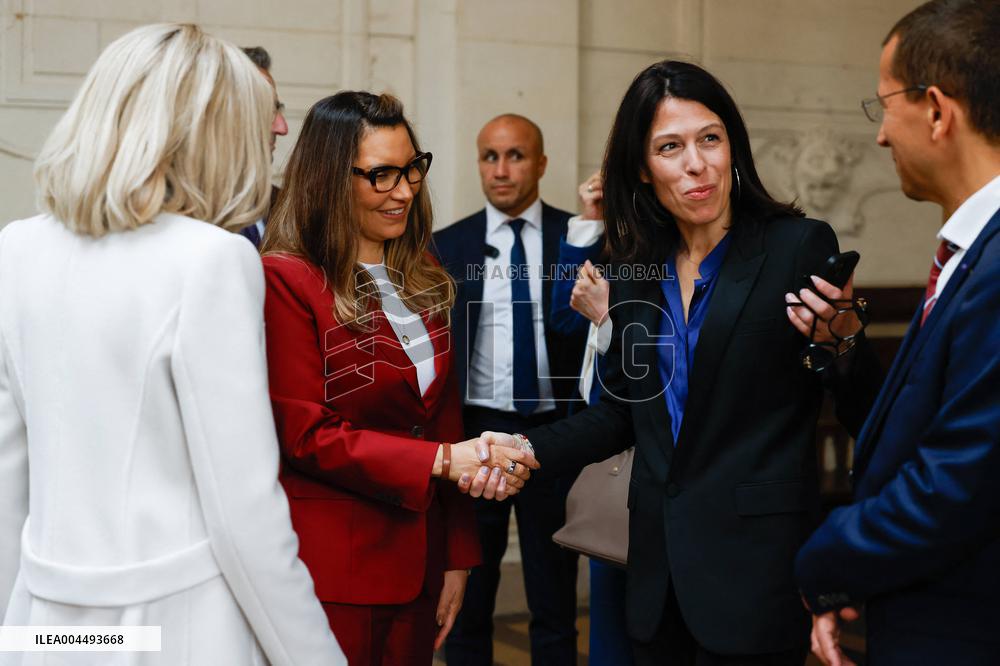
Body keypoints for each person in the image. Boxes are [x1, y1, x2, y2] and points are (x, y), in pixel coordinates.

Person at [476, 60, 884, 665]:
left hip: (756, 570)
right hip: (656, 575)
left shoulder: (795, 246)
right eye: (670, 147)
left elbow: (865, 411)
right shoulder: (637, 267)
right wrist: (525, 450)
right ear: (643, 168)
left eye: (710, 139)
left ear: (732, 145)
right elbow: (617, 413)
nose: (697, 164)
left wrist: (845, 337)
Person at [0, 23, 345, 665]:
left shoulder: (15, 249)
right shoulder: (210, 261)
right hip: (176, 627)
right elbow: (245, 512)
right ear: (213, 136)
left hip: (48, 622)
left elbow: (6, 479)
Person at [258, 91, 537, 665]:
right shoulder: (287, 279)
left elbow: (441, 419)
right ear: (330, 179)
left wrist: (458, 553)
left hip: (422, 559)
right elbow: (306, 433)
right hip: (335, 568)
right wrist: (440, 462)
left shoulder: (421, 271)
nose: (406, 190)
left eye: (412, 168)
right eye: (381, 174)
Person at [795, 1, 1000, 664]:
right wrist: (843, 345)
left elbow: (954, 484)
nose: (880, 136)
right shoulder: (970, 252)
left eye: (883, 106)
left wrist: (821, 563)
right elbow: (922, 422)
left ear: (937, 111)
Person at [434, 113, 587, 665]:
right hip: (474, 432)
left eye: (515, 156)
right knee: (469, 596)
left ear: (541, 163)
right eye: (489, 156)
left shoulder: (579, 237)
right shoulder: (446, 245)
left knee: (554, 596)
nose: (501, 170)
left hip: (554, 434)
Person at [549, 172, 634, 665]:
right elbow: (564, 319)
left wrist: (606, 322)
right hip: (606, 446)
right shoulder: (617, 251)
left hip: (645, 443)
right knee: (609, 608)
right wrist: (589, 222)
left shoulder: (665, 259)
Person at [239, 45, 288, 248]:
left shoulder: (286, 207)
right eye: (264, 109)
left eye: (276, 109)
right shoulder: (184, 211)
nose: (282, 128)